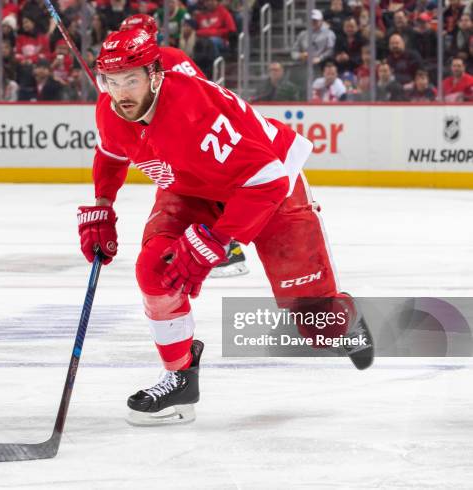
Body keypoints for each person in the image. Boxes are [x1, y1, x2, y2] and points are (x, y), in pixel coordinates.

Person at [79, 29, 374, 426]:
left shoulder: (192, 113)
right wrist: (102, 206)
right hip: (191, 188)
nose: (120, 93)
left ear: (154, 74)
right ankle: (180, 379)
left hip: (269, 187)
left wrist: (217, 238)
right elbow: (112, 153)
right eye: (111, 82)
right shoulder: (111, 108)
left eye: (130, 80)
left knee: (317, 322)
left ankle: (345, 322)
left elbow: (268, 179)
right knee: (155, 268)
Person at [121, 13, 249, 277]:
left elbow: (203, 94)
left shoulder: (172, 59)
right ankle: (202, 246)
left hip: (197, 138)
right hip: (181, 140)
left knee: (203, 190)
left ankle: (227, 249)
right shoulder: (149, 64)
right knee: (183, 193)